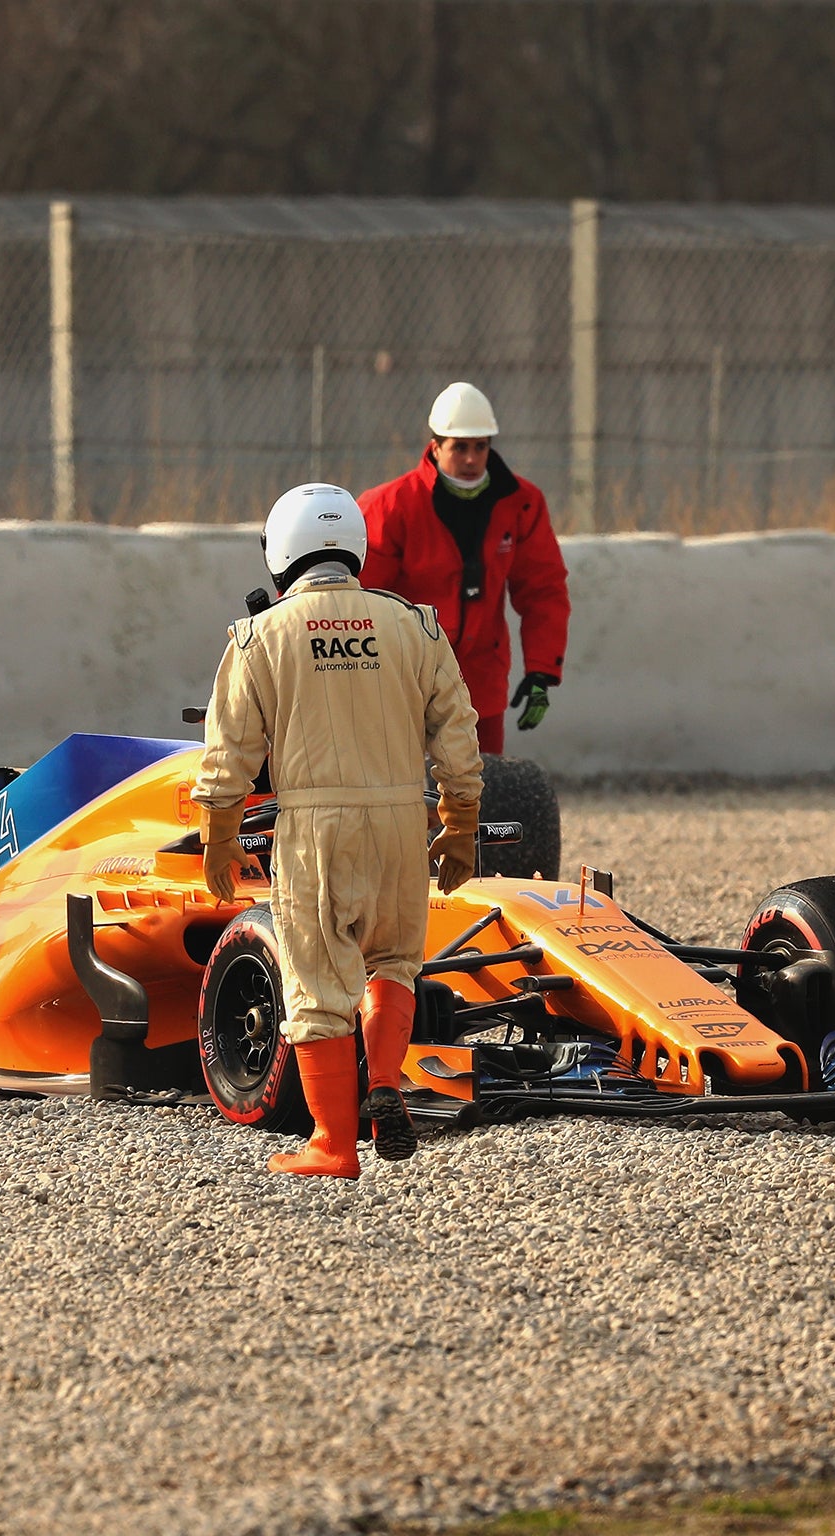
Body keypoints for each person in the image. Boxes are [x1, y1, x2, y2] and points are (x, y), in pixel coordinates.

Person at [194, 483, 482, 1180]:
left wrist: (219, 833)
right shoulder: (415, 626)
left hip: (315, 828)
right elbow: (458, 731)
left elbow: (230, 749)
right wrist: (460, 822)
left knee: (318, 985)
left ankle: (333, 1142)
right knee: (393, 962)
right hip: (399, 821)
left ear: (282, 551)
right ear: (353, 544)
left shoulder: (260, 635)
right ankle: (384, 1078)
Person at [357, 382, 569, 755]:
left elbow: (543, 589)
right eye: (460, 447)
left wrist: (541, 670)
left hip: (480, 682)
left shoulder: (521, 504)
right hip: (404, 679)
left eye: (480, 447)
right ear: (436, 446)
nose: (471, 459)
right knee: (405, 795)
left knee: (480, 796)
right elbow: (355, 596)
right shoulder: (390, 507)